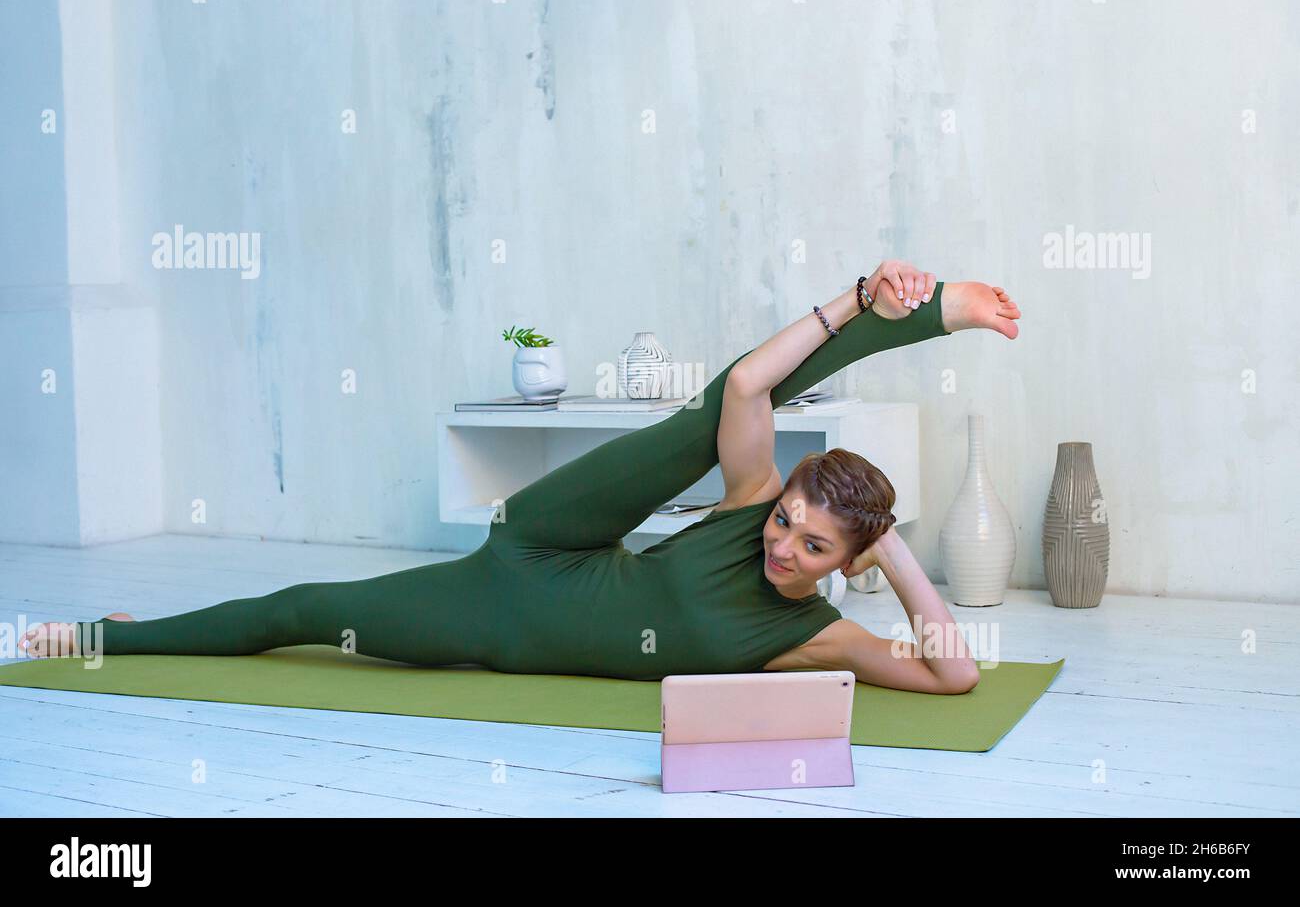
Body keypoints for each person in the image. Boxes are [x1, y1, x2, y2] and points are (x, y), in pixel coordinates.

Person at [20, 262, 1020, 693]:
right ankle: (101, 634)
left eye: (812, 546)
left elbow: (953, 672)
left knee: (307, 608)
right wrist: (863, 299)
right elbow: (750, 381)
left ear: (844, 559)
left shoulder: (816, 634)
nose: (782, 543)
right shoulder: (753, 501)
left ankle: (122, 632)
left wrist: (889, 548)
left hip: (494, 615)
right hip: (550, 538)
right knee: (706, 419)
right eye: (790, 519)